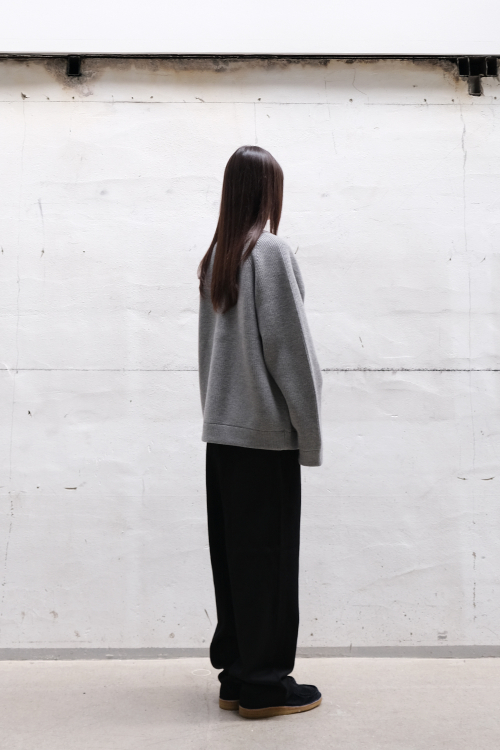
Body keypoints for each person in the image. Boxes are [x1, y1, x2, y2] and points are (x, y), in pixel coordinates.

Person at [197, 145, 323, 719]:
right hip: (264, 438)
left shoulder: (217, 256)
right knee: (268, 564)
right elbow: (291, 353)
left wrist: (216, 415)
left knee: (234, 561)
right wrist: (309, 436)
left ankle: (237, 675)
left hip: (223, 438)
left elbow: (209, 358)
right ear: (268, 191)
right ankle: (266, 687)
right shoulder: (269, 252)